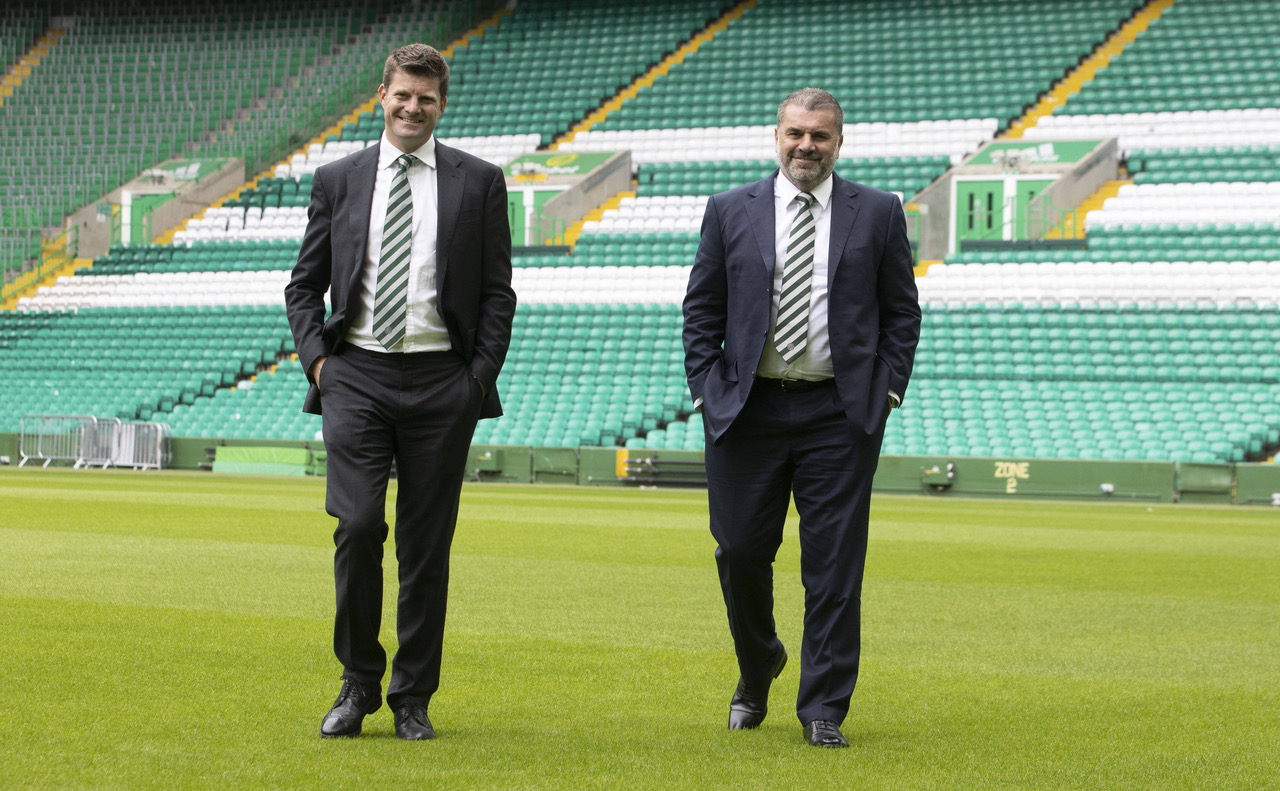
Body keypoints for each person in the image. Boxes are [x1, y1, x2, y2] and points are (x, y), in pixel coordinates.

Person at [285, 43, 516, 741]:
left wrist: (476, 379)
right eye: (403, 94)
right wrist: (322, 365)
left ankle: (412, 695)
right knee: (357, 527)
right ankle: (358, 683)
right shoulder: (338, 178)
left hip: (444, 381)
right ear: (381, 96)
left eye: (427, 98)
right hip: (357, 373)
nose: (413, 107)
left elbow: (499, 291)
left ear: (442, 104)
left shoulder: (479, 182)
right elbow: (303, 284)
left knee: (425, 545)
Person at [682, 88, 920, 748]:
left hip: (838, 414)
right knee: (738, 552)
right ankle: (758, 665)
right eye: (795, 133)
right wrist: (707, 388)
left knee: (834, 565)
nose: (805, 145)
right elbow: (701, 307)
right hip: (746, 410)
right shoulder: (730, 210)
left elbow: (902, 311)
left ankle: (822, 705)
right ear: (777, 136)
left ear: (839, 141)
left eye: (819, 135)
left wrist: (888, 391)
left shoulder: (876, 212)